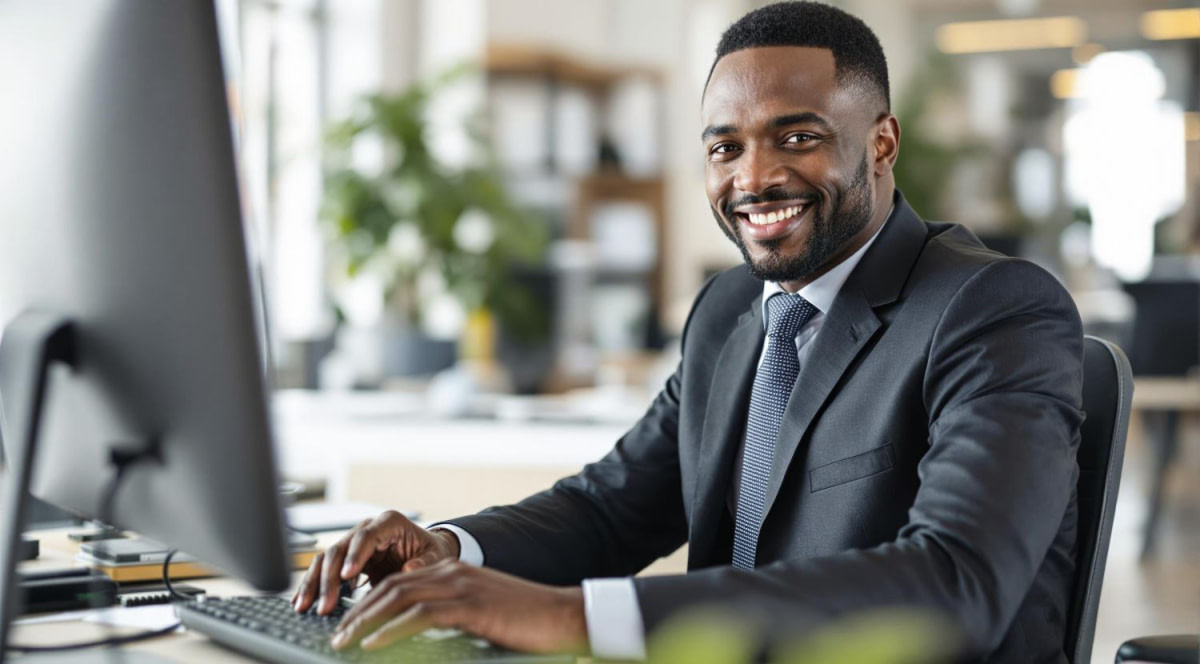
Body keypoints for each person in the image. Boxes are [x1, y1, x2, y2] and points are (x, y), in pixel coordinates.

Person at [293, 3, 1084, 662]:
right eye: (725, 147)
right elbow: (612, 510)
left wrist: (572, 617)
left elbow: (955, 584)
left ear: (882, 142)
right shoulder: (731, 310)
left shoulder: (992, 309)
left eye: (797, 138)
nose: (754, 178)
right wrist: (449, 551)